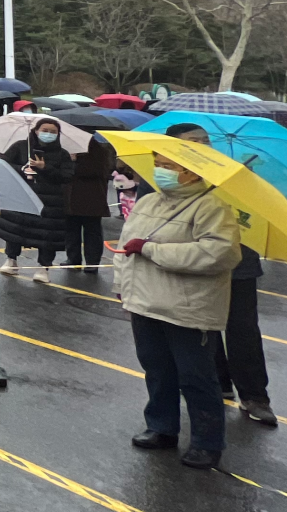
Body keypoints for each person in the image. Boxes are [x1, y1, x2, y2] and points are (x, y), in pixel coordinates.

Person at [114, 130, 238, 469]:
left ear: (193, 171)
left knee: (196, 377)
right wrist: (122, 285)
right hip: (145, 303)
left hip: (187, 308)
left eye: (169, 166)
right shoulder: (149, 201)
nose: (160, 171)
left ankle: (207, 441)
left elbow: (219, 254)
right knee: (157, 370)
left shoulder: (212, 205)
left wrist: (152, 249)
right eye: (158, 164)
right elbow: (125, 246)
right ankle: (161, 427)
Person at [0, 118, 74, 280]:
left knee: (47, 234)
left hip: (50, 201)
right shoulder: (21, 146)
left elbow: (67, 175)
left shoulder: (62, 154)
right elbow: (3, 163)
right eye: (45, 130)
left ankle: (43, 267)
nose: (48, 134)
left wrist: (45, 168)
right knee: (15, 228)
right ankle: (11, 259)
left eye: (53, 132)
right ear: (36, 130)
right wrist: (22, 169)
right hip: (20, 194)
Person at [216, 245, 277, 427]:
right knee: (202, 326)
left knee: (243, 330)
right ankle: (218, 380)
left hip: (239, 262)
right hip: (198, 259)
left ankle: (254, 396)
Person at [65, 134, 118, 271]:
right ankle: (75, 259)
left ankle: (90, 262)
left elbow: (88, 171)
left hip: (90, 198)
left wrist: (74, 162)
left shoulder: (99, 153)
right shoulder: (99, 152)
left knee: (90, 231)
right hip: (78, 199)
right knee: (75, 230)